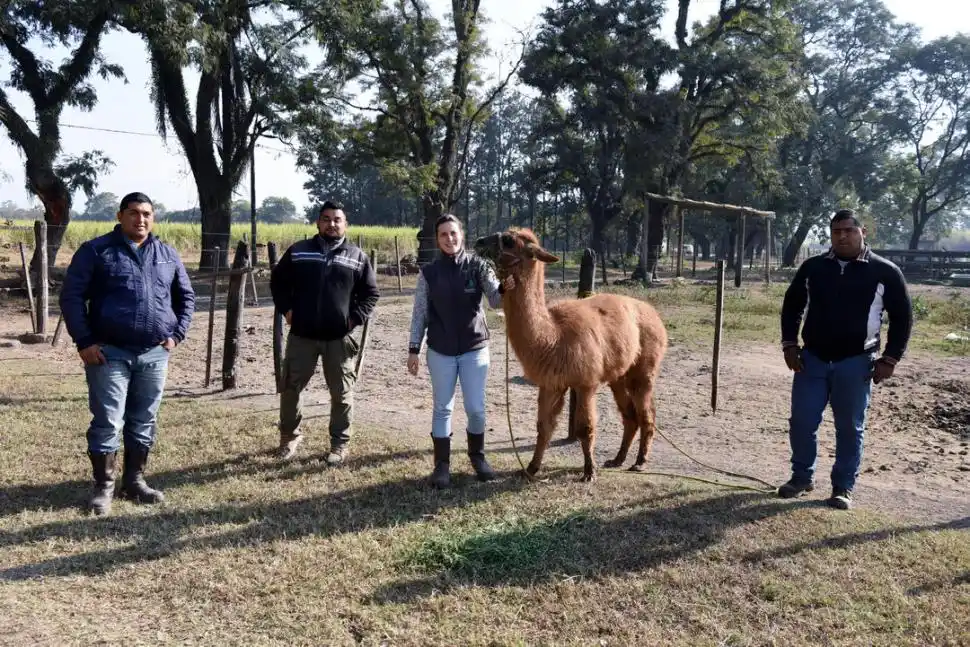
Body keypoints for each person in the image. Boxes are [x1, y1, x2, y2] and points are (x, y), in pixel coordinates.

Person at [60, 192, 195, 516]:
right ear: (120, 216)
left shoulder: (166, 254)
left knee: (144, 418)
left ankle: (134, 481)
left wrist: (176, 335)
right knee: (108, 420)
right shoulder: (97, 251)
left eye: (147, 213)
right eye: (133, 213)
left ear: (154, 217)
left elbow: (186, 297)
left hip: (154, 354)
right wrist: (85, 341)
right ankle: (103, 487)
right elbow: (71, 297)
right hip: (108, 353)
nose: (141, 219)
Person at [778, 208, 913, 510]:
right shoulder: (813, 268)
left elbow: (903, 317)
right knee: (801, 421)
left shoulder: (884, 271)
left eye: (849, 230)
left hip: (857, 362)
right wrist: (789, 344)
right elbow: (792, 306)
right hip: (811, 359)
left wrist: (890, 359)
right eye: (836, 231)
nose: (842, 236)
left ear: (863, 231)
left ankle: (843, 487)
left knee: (850, 427)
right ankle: (801, 477)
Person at [270, 200, 380, 464]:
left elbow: (371, 293)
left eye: (337, 219)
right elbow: (278, 282)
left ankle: (339, 444)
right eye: (326, 219)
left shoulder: (357, 257)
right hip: (302, 336)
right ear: (318, 223)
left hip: (339, 339)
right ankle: (289, 437)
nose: (332, 224)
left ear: (345, 224)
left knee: (341, 392)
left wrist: (353, 319)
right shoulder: (298, 251)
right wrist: (286, 310)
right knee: (290, 388)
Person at [407, 214, 511, 488]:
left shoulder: (478, 266)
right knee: (443, 407)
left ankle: (478, 457)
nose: (449, 239)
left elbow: (497, 300)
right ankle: (442, 465)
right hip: (440, 351)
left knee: (476, 409)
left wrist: (509, 285)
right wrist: (414, 348)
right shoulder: (429, 273)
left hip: (474, 349)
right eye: (443, 234)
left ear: (461, 235)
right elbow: (420, 313)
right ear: (438, 239)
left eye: (453, 233)